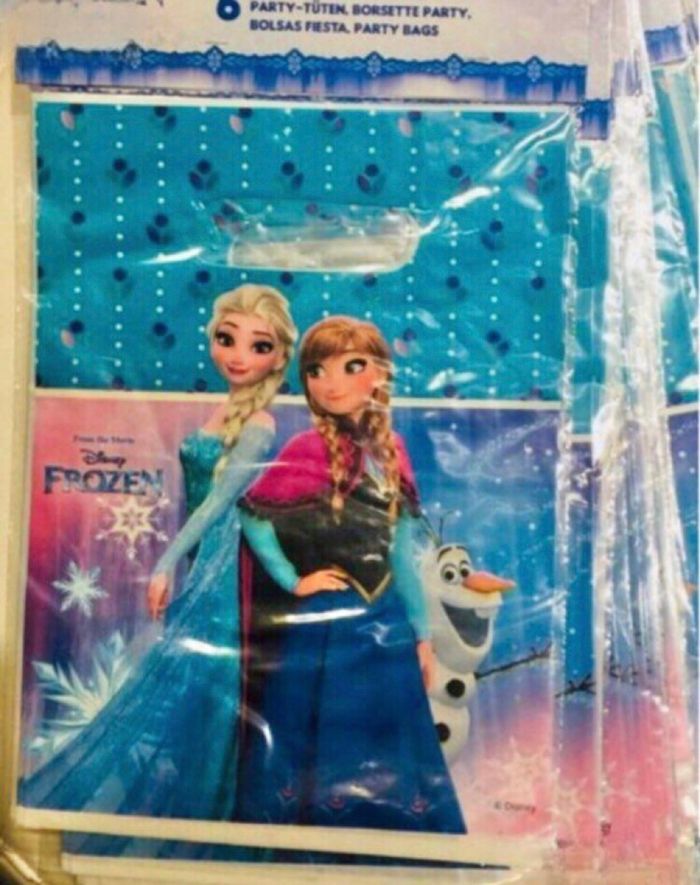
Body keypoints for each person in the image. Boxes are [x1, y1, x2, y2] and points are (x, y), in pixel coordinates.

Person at [20, 284, 297, 827]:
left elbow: (220, 503)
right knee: (196, 681)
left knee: (212, 683)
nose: (239, 355)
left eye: (259, 346)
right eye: (227, 339)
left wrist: (165, 563)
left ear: (279, 356)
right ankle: (193, 803)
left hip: (224, 566)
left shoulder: (259, 425)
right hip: (203, 559)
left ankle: (209, 808)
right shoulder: (225, 411)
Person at [235, 315, 466, 834]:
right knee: (323, 736)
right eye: (317, 370)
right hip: (326, 624)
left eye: (351, 366)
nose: (331, 383)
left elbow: (402, 552)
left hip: (387, 622)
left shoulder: (393, 450)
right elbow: (253, 515)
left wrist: (423, 635)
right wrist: (295, 580)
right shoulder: (307, 448)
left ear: (380, 374)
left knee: (390, 743)